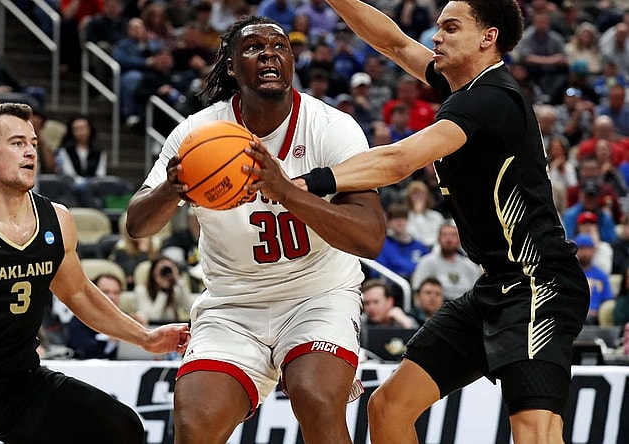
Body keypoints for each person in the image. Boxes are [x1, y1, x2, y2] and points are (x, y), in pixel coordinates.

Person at [246, 1, 590, 442]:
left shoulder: (492, 99)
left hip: (539, 283)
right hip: (495, 285)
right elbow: (392, 42)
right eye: (438, 27)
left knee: (534, 434)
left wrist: (300, 184)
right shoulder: (463, 88)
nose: (436, 37)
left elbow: (399, 159)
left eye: (450, 28)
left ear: (488, 38)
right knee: (388, 408)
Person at [125, 16, 385, 444]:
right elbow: (138, 223)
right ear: (230, 66)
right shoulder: (198, 134)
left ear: (292, 61)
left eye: (279, 46)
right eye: (253, 47)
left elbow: (370, 237)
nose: (268, 53)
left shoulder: (331, 128)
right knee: (194, 425)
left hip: (316, 295)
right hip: (232, 303)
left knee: (316, 398)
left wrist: (286, 190)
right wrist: (173, 188)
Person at [0, 102, 190, 442]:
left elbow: (79, 293)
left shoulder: (58, 220)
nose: (30, 152)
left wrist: (145, 337)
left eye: (33, 143)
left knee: (122, 428)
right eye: (17, 143)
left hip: (23, 381)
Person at [411, 222, 482, 301]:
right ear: (438, 239)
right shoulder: (426, 262)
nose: (449, 239)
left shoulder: (470, 265)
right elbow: (418, 292)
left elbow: (477, 294)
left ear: (459, 240)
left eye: (453, 235)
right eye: (445, 235)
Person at [66, 272, 125, 360]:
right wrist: (110, 340)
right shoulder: (80, 318)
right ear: (93, 294)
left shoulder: (124, 320)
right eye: (106, 292)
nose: (111, 297)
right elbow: (83, 351)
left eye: (116, 293)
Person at [132, 256, 195, 323]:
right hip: (152, 328)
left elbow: (189, 307)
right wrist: (163, 290)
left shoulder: (175, 290)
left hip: (172, 328)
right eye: (162, 270)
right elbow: (153, 318)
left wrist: (178, 279)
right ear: (153, 273)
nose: (165, 273)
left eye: (168, 269)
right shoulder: (141, 291)